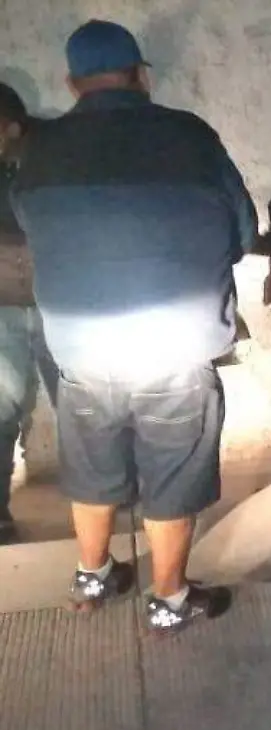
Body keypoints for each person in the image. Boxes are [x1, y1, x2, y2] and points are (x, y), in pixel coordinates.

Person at [10, 20, 256, 631]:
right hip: (174, 347)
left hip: (82, 352)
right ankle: (169, 600)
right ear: (141, 75)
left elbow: (33, 230)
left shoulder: (39, 151)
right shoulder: (190, 136)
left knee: (92, 470)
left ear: (72, 83)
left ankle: (93, 575)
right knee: (171, 475)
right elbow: (243, 233)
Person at [0, 83, 59, 543]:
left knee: (81, 403)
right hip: (8, 304)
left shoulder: (53, 156)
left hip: (57, 301)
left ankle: (107, 492)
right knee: (2, 409)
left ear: (13, 127)